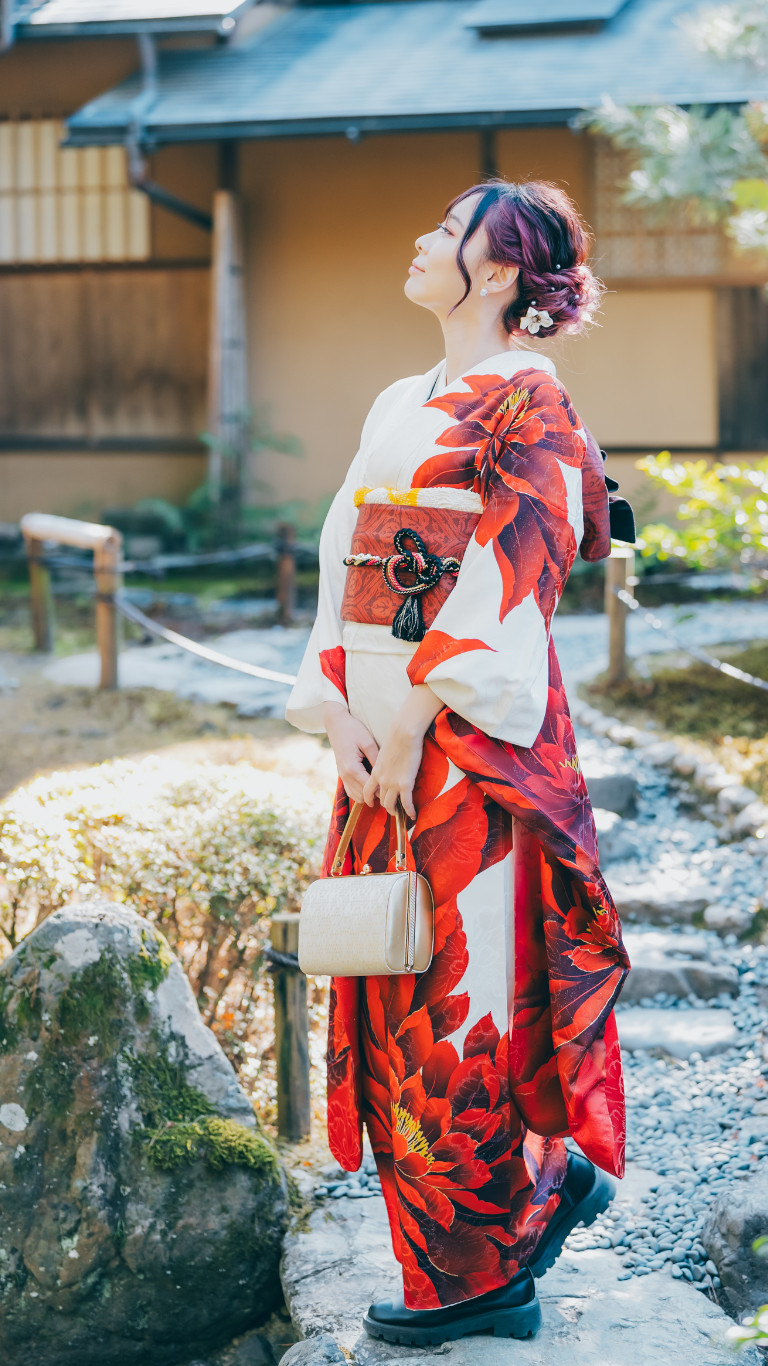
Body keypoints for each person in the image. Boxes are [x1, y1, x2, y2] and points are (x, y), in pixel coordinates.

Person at [285, 178, 630, 1346]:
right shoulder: (403, 397)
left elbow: (515, 572)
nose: (423, 241)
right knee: (389, 982)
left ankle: (483, 1273)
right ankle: (537, 1194)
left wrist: (415, 719)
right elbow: (344, 561)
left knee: (460, 1004)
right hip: (375, 742)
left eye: (446, 229)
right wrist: (339, 711)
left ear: (498, 269)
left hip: (463, 749)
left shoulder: (532, 397)